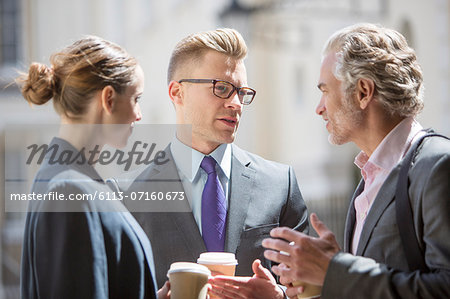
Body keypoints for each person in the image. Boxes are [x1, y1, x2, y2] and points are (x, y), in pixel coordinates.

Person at [109, 28, 309, 298]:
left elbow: (312, 288)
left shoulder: (279, 185)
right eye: (222, 88)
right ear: (177, 92)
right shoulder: (125, 196)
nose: (236, 103)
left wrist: (280, 296)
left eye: (242, 92)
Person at [262, 23, 450, 298]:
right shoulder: (369, 178)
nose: (319, 107)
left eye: (325, 90)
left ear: (363, 92)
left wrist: (334, 271)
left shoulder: (437, 166)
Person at [18, 36, 170, 299]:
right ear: (108, 99)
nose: (139, 114)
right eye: (136, 98)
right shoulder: (69, 190)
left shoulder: (68, 180)